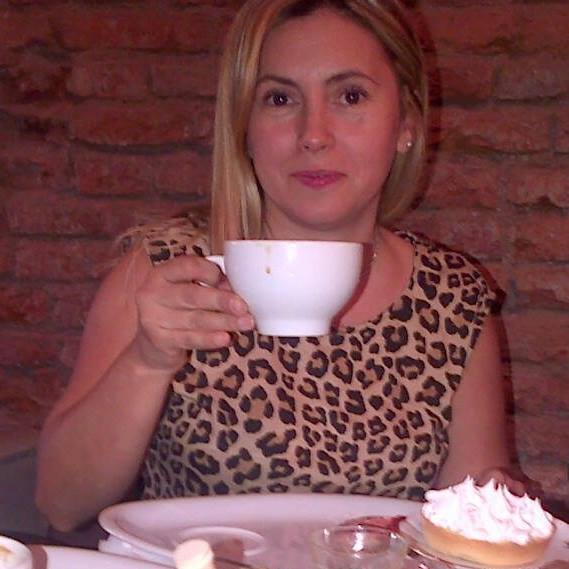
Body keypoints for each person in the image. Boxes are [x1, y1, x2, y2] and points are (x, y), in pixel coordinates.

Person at [36, 0, 523, 532]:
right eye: (280, 98)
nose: (314, 133)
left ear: (405, 122)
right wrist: (147, 361)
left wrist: (501, 508)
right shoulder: (168, 273)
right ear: (245, 127)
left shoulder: (451, 297)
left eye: (350, 96)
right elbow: (61, 503)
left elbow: (468, 523)